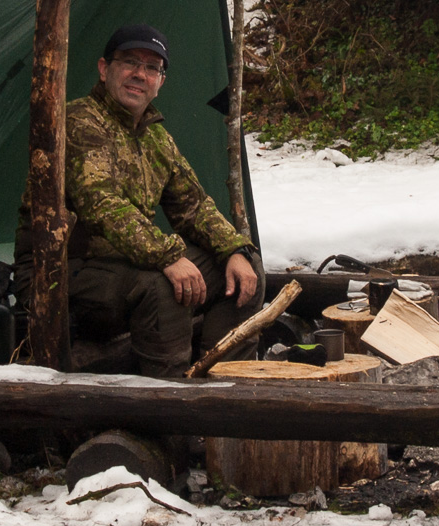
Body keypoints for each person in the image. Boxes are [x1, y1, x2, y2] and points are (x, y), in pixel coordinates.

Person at [17, 23, 262, 376]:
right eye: (130, 62)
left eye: (151, 67)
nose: (139, 74)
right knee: (162, 287)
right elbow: (102, 205)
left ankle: (222, 382)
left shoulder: (155, 138)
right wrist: (167, 256)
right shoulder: (78, 123)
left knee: (244, 271)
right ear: (104, 69)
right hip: (60, 270)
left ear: (160, 82)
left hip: (125, 263)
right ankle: (168, 397)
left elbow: (193, 207)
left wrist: (234, 250)